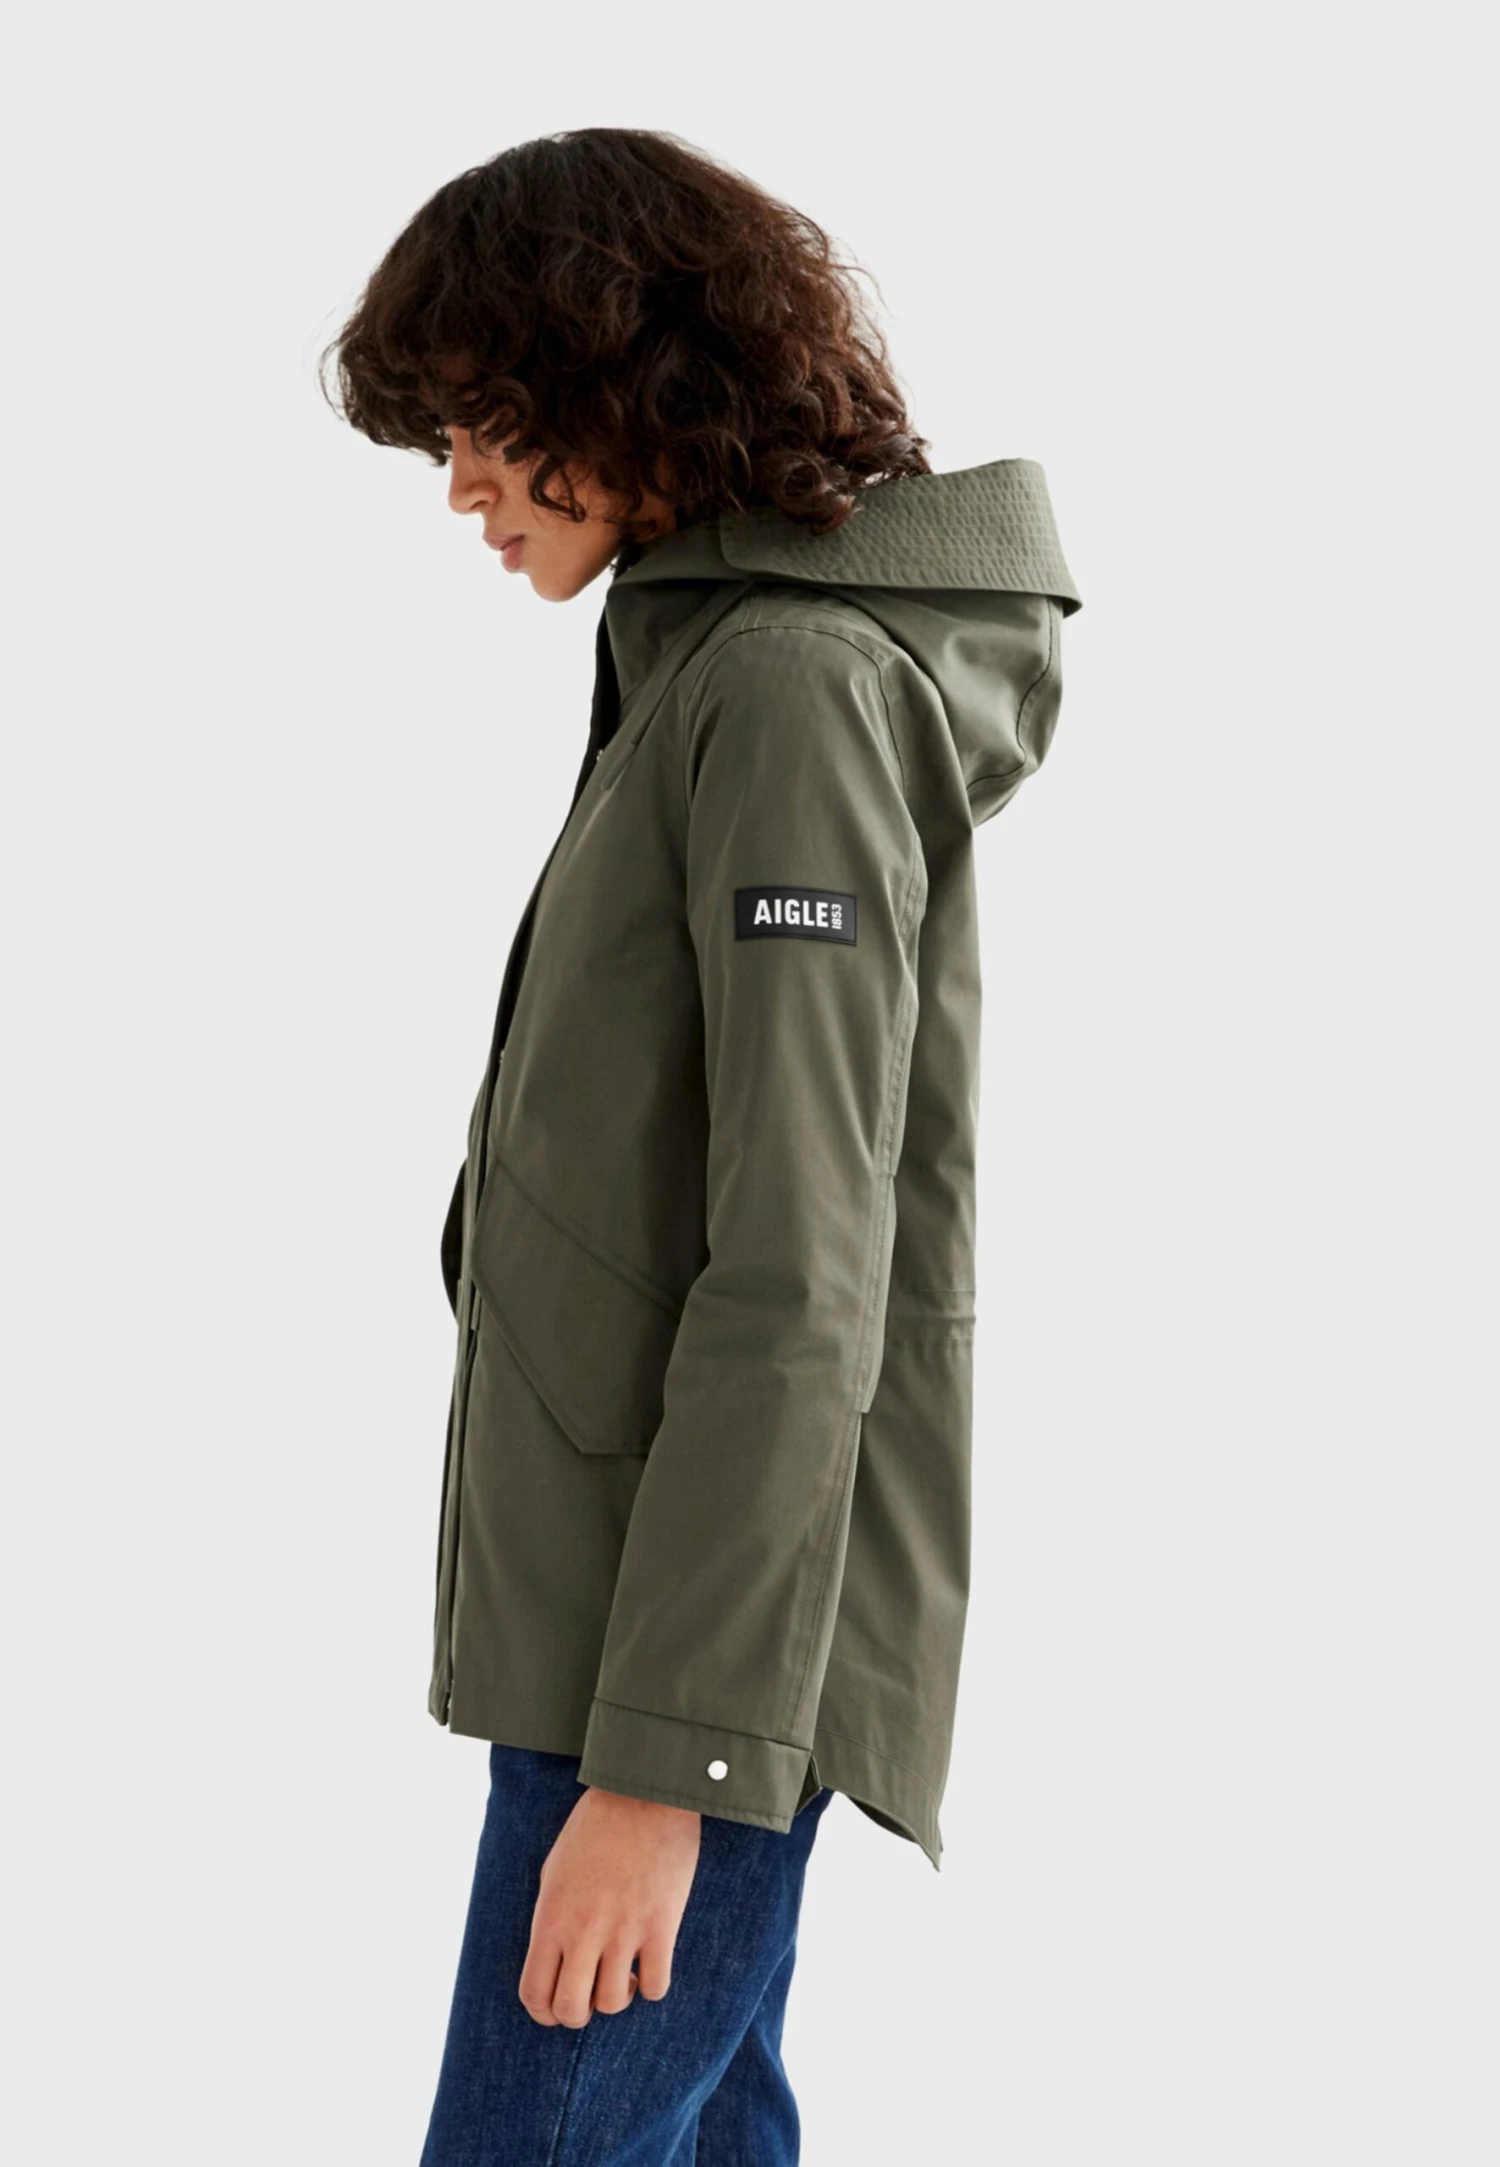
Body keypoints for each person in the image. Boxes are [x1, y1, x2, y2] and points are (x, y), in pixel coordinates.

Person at [324, 125, 1082, 2165]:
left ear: (617, 378)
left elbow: (804, 1266)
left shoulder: (793, 690)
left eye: (480, 420)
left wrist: (664, 1769)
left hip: (688, 1684)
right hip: (643, 1646)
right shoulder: (706, 670)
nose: (460, 484)